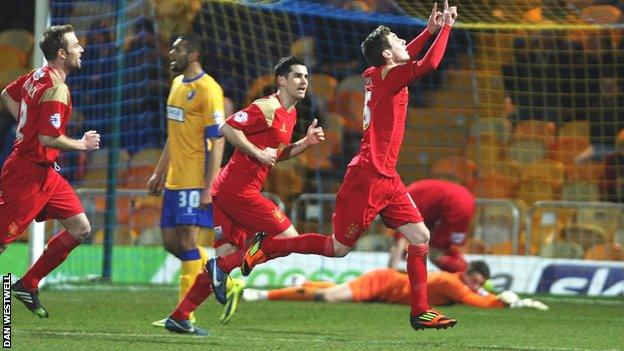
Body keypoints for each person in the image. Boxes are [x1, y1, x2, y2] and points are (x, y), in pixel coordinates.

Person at [242, 1, 459, 331]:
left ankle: (420, 311)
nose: (405, 43)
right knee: (337, 248)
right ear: (388, 55)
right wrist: (444, 29)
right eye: (399, 41)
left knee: (420, 236)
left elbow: (404, 55)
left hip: (387, 176)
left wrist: (427, 30)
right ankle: (269, 245)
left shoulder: (375, 73)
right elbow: (429, 62)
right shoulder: (390, 77)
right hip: (368, 176)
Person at [162, 55, 325, 336]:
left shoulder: (292, 113)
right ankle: (219, 268)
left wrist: (305, 143)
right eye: (297, 76)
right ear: (281, 81)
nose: (304, 81)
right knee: (288, 240)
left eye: (307, 77)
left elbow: (276, 155)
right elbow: (226, 127)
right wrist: (256, 151)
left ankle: (180, 316)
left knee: (227, 258)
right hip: (238, 191)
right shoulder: (267, 107)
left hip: (227, 191)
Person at [0, 24, 100, 318]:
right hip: (26, 174)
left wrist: (26, 124)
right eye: (75, 45)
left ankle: (28, 283)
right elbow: (48, 138)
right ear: (61, 53)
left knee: (80, 228)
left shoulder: (37, 76)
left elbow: (6, 93)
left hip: (46, 173)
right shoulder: (57, 89)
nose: (80, 49)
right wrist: (82, 144)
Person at [147, 34, 225, 327]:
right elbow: (173, 133)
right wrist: (158, 171)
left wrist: (209, 186)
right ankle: (221, 277)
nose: (171, 52)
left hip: (194, 179)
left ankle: (184, 314)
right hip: (173, 179)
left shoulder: (209, 89)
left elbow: (216, 140)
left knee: (189, 240)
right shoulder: (177, 84)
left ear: (193, 55)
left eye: (177, 49)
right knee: (170, 242)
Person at [242, 261, 548, 311]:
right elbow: (477, 301)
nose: (477, 286)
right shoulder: (452, 284)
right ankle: (262, 294)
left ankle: (303, 283)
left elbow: (481, 293)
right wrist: (502, 302)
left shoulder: (458, 281)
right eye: (476, 281)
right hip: (383, 283)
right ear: (467, 275)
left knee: (333, 289)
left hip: (388, 284)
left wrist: (513, 300)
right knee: (327, 298)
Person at [388, 179, 475, 273]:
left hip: (455, 207)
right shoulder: (410, 194)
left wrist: (389, 274)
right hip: (465, 199)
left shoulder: (400, 206)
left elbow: (398, 245)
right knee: (446, 249)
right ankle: (471, 272)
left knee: (435, 254)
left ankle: (468, 276)